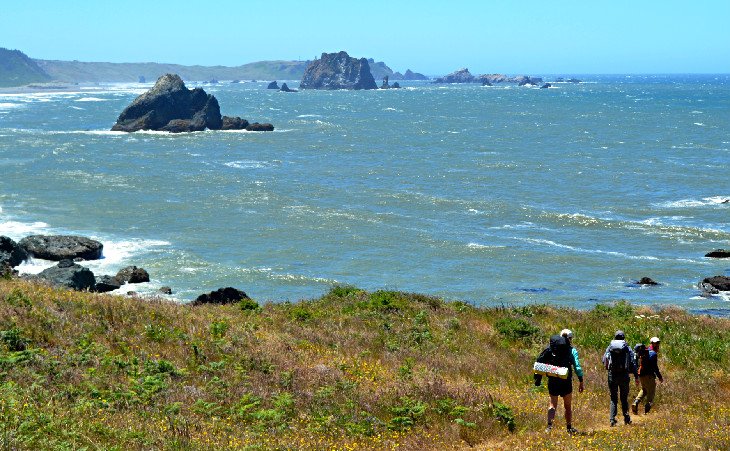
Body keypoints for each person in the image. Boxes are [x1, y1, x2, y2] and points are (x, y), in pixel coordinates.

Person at [534, 331, 584, 434]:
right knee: (568, 405)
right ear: (570, 339)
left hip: (553, 379)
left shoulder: (551, 349)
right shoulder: (571, 350)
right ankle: (569, 428)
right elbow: (577, 366)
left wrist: (538, 378)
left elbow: (540, 361)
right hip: (566, 380)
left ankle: (549, 427)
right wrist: (581, 380)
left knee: (552, 404)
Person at [602, 330, 639, 426]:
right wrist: (636, 376)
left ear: (615, 337)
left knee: (613, 398)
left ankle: (612, 420)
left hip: (612, 375)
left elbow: (604, 360)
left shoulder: (610, 347)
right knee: (624, 398)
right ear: (623, 337)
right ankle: (626, 419)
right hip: (624, 376)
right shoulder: (627, 348)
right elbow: (633, 362)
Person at [633, 337, 664, 414]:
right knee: (651, 393)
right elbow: (655, 367)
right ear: (652, 343)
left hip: (641, 375)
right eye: (656, 343)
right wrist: (660, 377)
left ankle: (636, 402)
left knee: (644, 390)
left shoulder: (645, 351)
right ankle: (646, 412)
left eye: (658, 343)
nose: (657, 345)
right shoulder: (653, 354)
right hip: (649, 376)